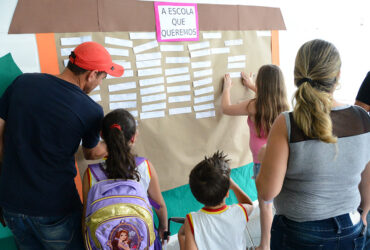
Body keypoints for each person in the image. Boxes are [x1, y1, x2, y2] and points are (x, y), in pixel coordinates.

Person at [0, 41, 124, 249]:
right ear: (91, 74)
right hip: (55, 209)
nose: (100, 84)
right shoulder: (90, 110)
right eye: (103, 77)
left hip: (11, 203)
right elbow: (91, 153)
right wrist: (119, 140)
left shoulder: (23, 83)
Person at [256, 39, 370, 249]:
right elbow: (367, 179)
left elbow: (266, 192)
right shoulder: (363, 119)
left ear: (297, 75)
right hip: (350, 228)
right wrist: (363, 214)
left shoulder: (287, 123)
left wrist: (265, 158)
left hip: (299, 232)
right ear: (337, 76)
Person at [221, 65, 289, 250]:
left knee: (266, 206)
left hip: (263, 163)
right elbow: (269, 94)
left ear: (261, 84)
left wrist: (227, 87)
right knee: (279, 203)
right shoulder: (284, 105)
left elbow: (226, 108)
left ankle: (265, 246)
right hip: (283, 160)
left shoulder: (254, 105)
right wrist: (250, 85)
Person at [82, 109, 168, 248]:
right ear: (133, 138)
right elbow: (159, 205)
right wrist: (162, 228)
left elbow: (86, 216)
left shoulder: (90, 174)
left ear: (102, 135)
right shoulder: (145, 167)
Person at [178, 151, 254, 250]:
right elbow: (249, 205)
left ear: (196, 196)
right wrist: (233, 186)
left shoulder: (192, 220)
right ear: (227, 193)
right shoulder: (239, 211)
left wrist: (181, 236)